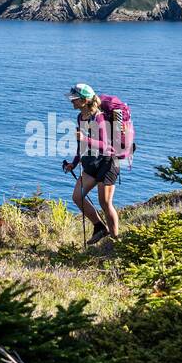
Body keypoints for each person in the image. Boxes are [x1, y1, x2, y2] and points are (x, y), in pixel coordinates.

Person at [60, 82, 130, 245]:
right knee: (77, 197)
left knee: (105, 204)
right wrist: (74, 163)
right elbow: (81, 145)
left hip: (107, 164)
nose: (72, 102)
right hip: (90, 165)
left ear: (85, 101)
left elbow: (106, 146)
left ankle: (115, 241)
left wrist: (86, 139)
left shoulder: (99, 118)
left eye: (75, 99)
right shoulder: (80, 117)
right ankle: (99, 227)